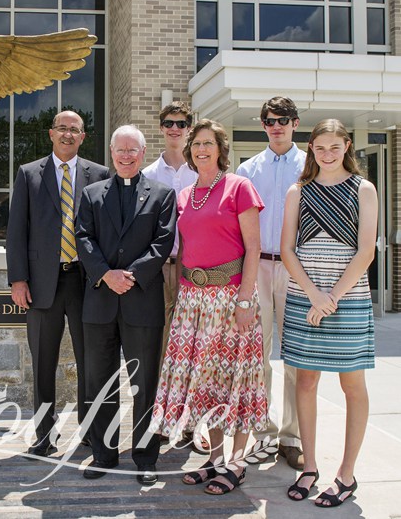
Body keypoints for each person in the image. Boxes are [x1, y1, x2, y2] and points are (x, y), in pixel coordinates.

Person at [150, 119, 268, 496]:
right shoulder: (185, 196)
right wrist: (184, 299)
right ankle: (216, 459)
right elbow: (184, 252)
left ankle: (236, 463)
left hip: (232, 297)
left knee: (238, 380)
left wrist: (246, 299)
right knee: (207, 383)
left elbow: (252, 248)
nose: (202, 150)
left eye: (208, 143)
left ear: (220, 149)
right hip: (193, 301)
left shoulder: (239, 187)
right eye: (196, 144)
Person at [280, 119, 377, 507]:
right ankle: (310, 466)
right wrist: (312, 294)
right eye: (320, 148)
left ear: (347, 146)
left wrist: (331, 297)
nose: (327, 154)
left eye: (335, 147)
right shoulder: (298, 191)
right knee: (305, 383)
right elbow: (287, 249)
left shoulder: (363, 189)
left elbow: (366, 250)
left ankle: (346, 474)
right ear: (311, 149)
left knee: (352, 386)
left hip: (348, 299)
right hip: (305, 295)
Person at [75, 124, 176, 486]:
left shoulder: (162, 194)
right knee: (99, 382)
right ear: (112, 153)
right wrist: (106, 274)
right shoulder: (91, 193)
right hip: (100, 301)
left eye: (133, 150)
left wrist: (128, 275)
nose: (127, 156)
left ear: (142, 153)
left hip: (141, 302)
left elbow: (163, 242)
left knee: (144, 383)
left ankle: (146, 458)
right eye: (121, 150)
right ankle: (103, 454)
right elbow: (83, 237)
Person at [6, 110, 110, 457]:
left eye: (75, 130)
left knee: (90, 362)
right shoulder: (28, 174)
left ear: (83, 137)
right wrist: (18, 280)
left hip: (85, 283)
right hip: (41, 285)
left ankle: (90, 433)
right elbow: (17, 231)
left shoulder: (99, 175)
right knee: (43, 363)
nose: (68, 134)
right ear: (51, 134)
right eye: (62, 129)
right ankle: (44, 436)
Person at [235, 96, 305, 470]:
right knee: (256, 356)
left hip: (296, 269)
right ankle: (263, 432)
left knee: (294, 356)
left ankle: (291, 437)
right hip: (258, 268)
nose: (276, 125)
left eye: (283, 119)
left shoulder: (310, 165)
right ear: (262, 125)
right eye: (269, 120)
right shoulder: (247, 170)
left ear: (295, 122)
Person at [141, 102, 198, 350]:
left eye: (181, 124)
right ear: (161, 128)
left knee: (192, 334)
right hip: (159, 268)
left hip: (194, 266)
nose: (175, 128)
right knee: (159, 336)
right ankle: (159, 390)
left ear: (189, 128)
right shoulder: (148, 174)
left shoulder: (201, 172)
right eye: (168, 123)